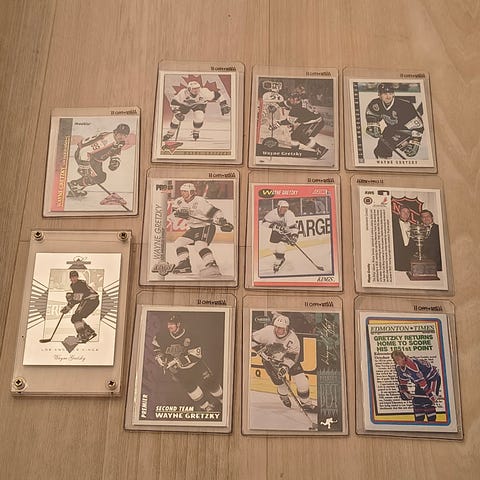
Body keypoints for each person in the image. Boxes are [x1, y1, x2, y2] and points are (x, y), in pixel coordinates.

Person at [152, 315, 223, 412]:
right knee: (191, 388)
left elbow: (196, 356)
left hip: (196, 366)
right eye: (168, 324)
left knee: (211, 384)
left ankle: (222, 399)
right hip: (179, 371)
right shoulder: (162, 335)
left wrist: (176, 361)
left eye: (172, 324)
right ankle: (206, 406)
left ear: (178, 324)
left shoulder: (191, 335)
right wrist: (159, 357)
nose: (169, 326)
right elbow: (156, 346)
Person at [251, 312, 317, 412]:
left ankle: (306, 403)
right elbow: (251, 339)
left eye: (281, 328)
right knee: (282, 386)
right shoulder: (267, 331)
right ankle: (283, 395)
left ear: (287, 328)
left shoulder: (293, 338)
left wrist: (285, 367)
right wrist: (259, 349)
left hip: (287, 361)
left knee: (302, 382)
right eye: (276, 327)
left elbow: (292, 356)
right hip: (270, 362)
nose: (278, 330)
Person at [170, 183, 233, 277]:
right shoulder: (179, 201)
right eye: (182, 191)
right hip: (193, 228)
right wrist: (177, 214)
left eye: (185, 191)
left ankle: (212, 265)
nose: (183, 193)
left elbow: (215, 211)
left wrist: (221, 220)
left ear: (191, 192)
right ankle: (185, 264)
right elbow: (174, 213)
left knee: (199, 245)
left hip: (206, 227)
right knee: (179, 242)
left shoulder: (200, 201)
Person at [67, 123, 130, 199]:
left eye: (125, 135)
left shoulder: (120, 142)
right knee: (97, 177)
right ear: (116, 132)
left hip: (95, 158)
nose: (122, 137)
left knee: (100, 177)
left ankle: (75, 186)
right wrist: (84, 167)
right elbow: (84, 151)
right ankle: (75, 185)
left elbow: (115, 151)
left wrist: (115, 160)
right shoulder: (106, 141)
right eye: (120, 134)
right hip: (84, 155)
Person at [365, 83, 424, 159]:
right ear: (379, 95)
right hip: (391, 129)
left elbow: (418, 126)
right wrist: (372, 126)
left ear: (393, 94)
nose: (388, 96)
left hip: (406, 131)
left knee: (384, 147)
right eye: (385, 93)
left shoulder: (405, 106)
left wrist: (415, 142)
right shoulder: (376, 104)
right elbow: (372, 114)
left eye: (390, 93)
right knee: (380, 151)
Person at [162, 81, 230, 142]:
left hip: (199, 104)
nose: (197, 90)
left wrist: (224, 105)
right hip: (185, 105)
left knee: (199, 116)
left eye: (198, 88)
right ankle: (170, 133)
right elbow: (174, 103)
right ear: (189, 89)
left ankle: (196, 131)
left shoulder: (204, 92)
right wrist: (177, 113)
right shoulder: (183, 93)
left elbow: (218, 95)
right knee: (176, 119)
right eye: (194, 89)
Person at [276, 88, 328, 159]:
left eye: (291, 99)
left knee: (303, 137)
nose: (289, 100)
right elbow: (286, 103)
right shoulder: (300, 102)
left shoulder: (296, 109)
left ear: (295, 100)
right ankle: (294, 150)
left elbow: (289, 121)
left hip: (316, 122)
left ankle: (321, 149)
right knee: (294, 135)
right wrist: (277, 103)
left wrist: (279, 123)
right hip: (308, 121)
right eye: (290, 98)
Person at [391, 350, 441, 422]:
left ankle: (432, 422)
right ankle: (419, 422)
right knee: (417, 402)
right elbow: (403, 381)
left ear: (403, 357)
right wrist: (405, 391)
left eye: (398, 359)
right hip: (420, 381)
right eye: (395, 360)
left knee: (428, 401)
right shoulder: (398, 367)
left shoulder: (411, 365)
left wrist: (431, 394)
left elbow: (421, 382)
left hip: (432, 378)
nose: (397, 362)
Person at [60, 270, 98, 343]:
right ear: (70, 278)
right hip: (88, 300)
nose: (73, 278)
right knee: (75, 318)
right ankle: (89, 332)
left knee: (76, 317)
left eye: (75, 276)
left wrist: (69, 303)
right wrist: (67, 307)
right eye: (72, 277)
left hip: (91, 300)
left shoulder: (81, 283)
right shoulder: (73, 285)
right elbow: (77, 298)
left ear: (77, 277)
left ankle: (83, 336)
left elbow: (79, 297)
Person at [262, 200, 299, 273]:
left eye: (286, 207)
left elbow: (293, 227)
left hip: (287, 232)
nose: (285, 209)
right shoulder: (272, 213)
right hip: (276, 232)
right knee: (272, 248)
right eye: (283, 207)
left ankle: (278, 262)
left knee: (281, 247)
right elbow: (264, 222)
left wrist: (294, 236)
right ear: (278, 207)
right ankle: (280, 258)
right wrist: (273, 226)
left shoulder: (289, 214)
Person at [392, 205, 415, 271]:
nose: (406, 214)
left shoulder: (413, 226)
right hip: (397, 255)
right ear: (399, 213)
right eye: (403, 211)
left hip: (410, 256)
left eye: (408, 212)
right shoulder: (392, 224)